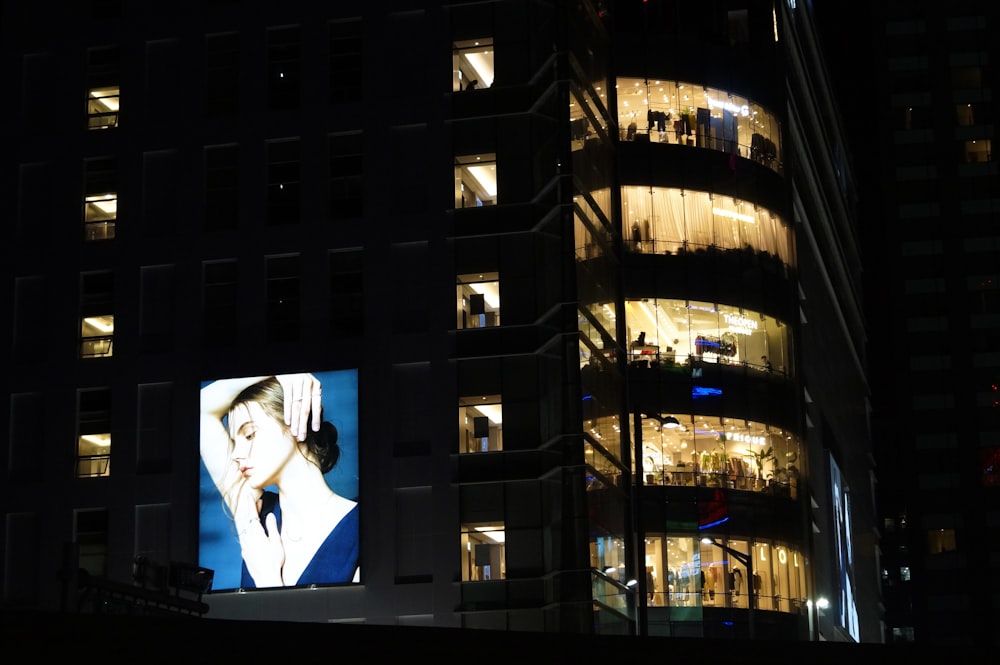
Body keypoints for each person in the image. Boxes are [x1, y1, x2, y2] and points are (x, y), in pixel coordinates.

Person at [200, 373, 358, 588]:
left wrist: (267, 579)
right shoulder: (252, 515)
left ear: (295, 421)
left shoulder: (360, 530)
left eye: (249, 435)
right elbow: (201, 407)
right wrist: (280, 371)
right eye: (235, 442)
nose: (236, 454)